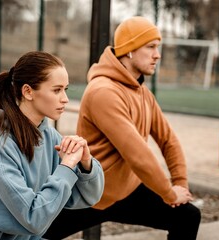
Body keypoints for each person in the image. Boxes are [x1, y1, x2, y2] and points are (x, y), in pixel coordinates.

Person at [44, 16, 201, 239]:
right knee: (33, 233)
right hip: (89, 193)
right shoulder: (103, 91)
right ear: (129, 50)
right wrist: (168, 193)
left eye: (158, 47)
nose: (157, 54)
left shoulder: (142, 93)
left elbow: (168, 140)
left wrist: (180, 187)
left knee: (186, 216)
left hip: (127, 192)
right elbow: (137, 153)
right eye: (151, 47)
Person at [0, 51, 104, 240]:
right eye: (56, 90)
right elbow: (33, 218)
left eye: (66, 89)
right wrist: (65, 167)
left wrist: (85, 165)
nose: (64, 98)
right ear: (28, 91)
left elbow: (88, 197)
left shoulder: (50, 137)